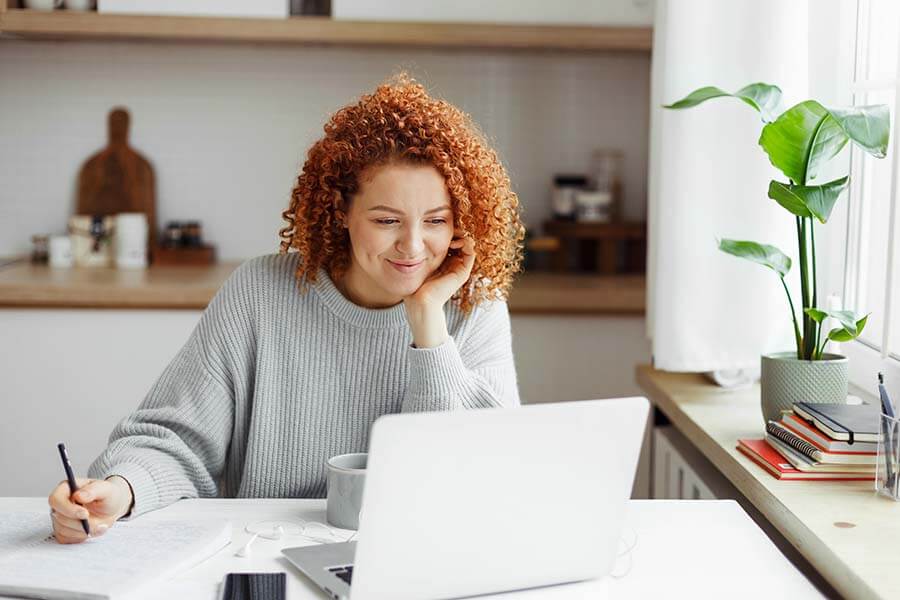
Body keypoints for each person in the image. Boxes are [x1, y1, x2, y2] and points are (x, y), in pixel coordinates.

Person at [47, 74, 525, 544]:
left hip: (414, 554)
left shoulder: (472, 305)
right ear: (341, 211)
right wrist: (120, 489)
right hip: (265, 551)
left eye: (436, 221)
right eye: (386, 220)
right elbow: (175, 438)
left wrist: (427, 325)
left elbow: (477, 474)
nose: (413, 246)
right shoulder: (261, 293)